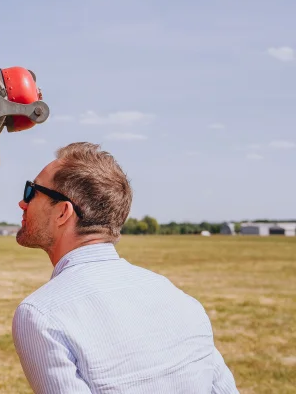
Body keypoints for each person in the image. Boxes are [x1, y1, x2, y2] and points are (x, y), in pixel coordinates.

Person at [12, 142, 238, 393]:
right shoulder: (181, 300)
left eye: (31, 191)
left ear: (63, 212)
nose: (23, 203)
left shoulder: (41, 314)